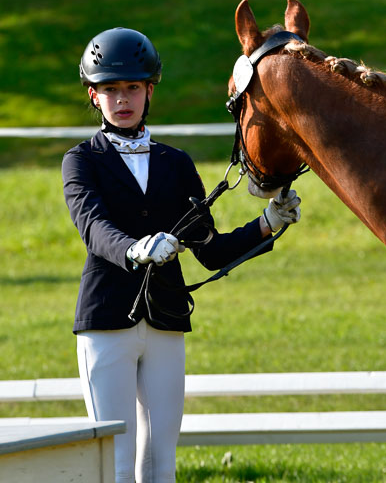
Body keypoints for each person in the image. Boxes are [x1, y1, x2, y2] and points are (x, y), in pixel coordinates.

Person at [61, 26, 301, 483]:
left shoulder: (177, 163)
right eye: (110, 89)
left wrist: (268, 222)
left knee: (160, 461)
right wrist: (136, 249)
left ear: (149, 90)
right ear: (95, 97)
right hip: (106, 320)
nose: (123, 99)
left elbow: (210, 251)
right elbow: (93, 228)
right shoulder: (81, 161)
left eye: (132, 87)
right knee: (115, 460)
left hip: (166, 320)